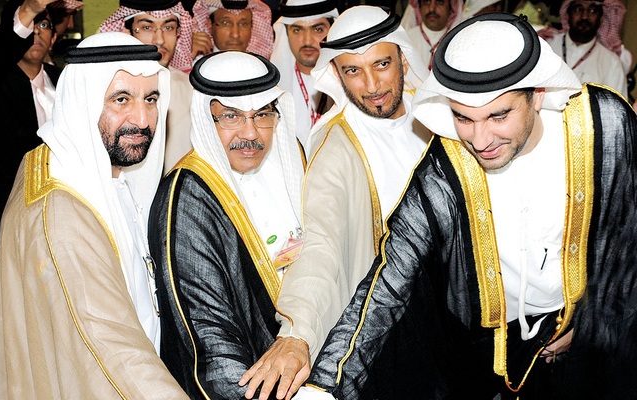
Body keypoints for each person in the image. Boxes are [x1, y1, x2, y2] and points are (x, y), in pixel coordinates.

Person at [292, 12, 637, 400]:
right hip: (495, 344)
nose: (481, 139)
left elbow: (629, 236)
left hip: (594, 326)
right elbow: (393, 271)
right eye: (463, 118)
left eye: (499, 116)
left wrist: (592, 317)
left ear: (537, 94)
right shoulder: (451, 159)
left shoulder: (602, 124)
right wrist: (323, 386)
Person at [238, 6, 430, 400]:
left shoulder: (439, 118)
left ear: (403, 59)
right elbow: (320, 245)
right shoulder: (336, 145)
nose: (372, 85)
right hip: (390, 329)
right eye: (353, 71)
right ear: (337, 75)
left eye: (381, 64)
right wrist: (298, 333)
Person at [0, 32, 189, 399]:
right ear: (83, 103)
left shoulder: (90, 170)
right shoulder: (61, 211)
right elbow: (111, 349)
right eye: (121, 99)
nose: (142, 119)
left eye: (151, 99)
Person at [149, 51, 305, 400]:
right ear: (206, 118)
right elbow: (210, 340)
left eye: (262, 114)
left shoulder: (290, 158)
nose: (250, 133)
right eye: (231, 116)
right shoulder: (188, 197)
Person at [99, 0, 195, 173]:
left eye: (169, 28)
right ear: (127, 32)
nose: (159, 40)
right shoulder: (107, 87)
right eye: (147, 28)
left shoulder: (190, 87)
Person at [0, 0, 61, 235]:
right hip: (9, 216)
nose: (36, 31)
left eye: (43, 25)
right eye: (31, 25)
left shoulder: (66, 81)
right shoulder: (2, 83)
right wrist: (29, 9)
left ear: (53, 38)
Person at [270, 0, 338, 150]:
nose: (307, 40)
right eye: (297, 30)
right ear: (286, 34)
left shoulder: (348, 81)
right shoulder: (271, 89)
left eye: (317, 29)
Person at [539, 0, 629, 99]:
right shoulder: (545, 47)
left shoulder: (612, 63)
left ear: (601, 18)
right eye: (578, 9)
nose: (585, 16)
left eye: (592, 11)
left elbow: (617, 106)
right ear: (567, 15)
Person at [191, 0, 274, 59]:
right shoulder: (195, 65)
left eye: (243, 24)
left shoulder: (262, 68)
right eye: (226, 23)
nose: (235, 35)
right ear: (209, 25)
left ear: (252, 26)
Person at [403, 0, 463, 70]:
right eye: (426, 2)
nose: (432, 9)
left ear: (451, 9)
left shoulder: (458, 44)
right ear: (419, 7)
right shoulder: (405, 40)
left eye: (439, 2)